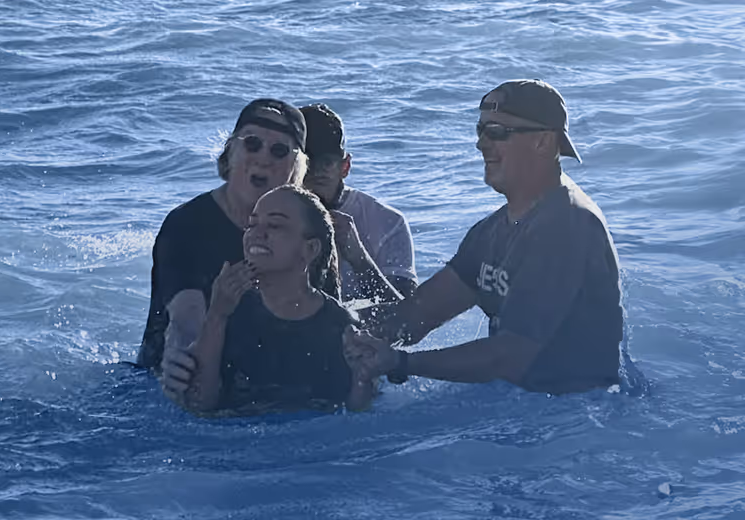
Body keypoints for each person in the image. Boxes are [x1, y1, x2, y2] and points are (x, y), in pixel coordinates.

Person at [344, 80, 623, 394]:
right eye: (480, 131)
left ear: (543, 142)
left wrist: (400, 363)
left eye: (497, 132)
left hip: (583, 408)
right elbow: (418, 315)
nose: (481, 144)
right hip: (527, 402)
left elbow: (511, 357)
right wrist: (343, 328)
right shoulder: (491, 232)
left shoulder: (567, 226)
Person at [160, 185, 376, 413]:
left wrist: (362, 379)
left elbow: (356, 411)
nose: (256, 233)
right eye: (251, 224)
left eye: (275, 225)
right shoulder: (230, 311)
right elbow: (200, 404)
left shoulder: (340, 326)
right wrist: (216, 315)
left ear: (310, 248)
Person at [136, 99, 309, 370]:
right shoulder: (187, 224)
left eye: (279, 151)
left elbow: (325, 320)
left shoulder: (307, 235)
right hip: (161, 378)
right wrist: (184, 356)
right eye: (252, 143)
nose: (264, 158)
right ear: (230, 153)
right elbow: (185, 318)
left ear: (295, 169)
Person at [300, 103, 418, 303]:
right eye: (308, 162)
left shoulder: (389, 223)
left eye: (326, 162)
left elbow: (408, 316)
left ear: (345, 166)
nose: (316, 171)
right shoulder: (264, 216)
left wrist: (359, 259)